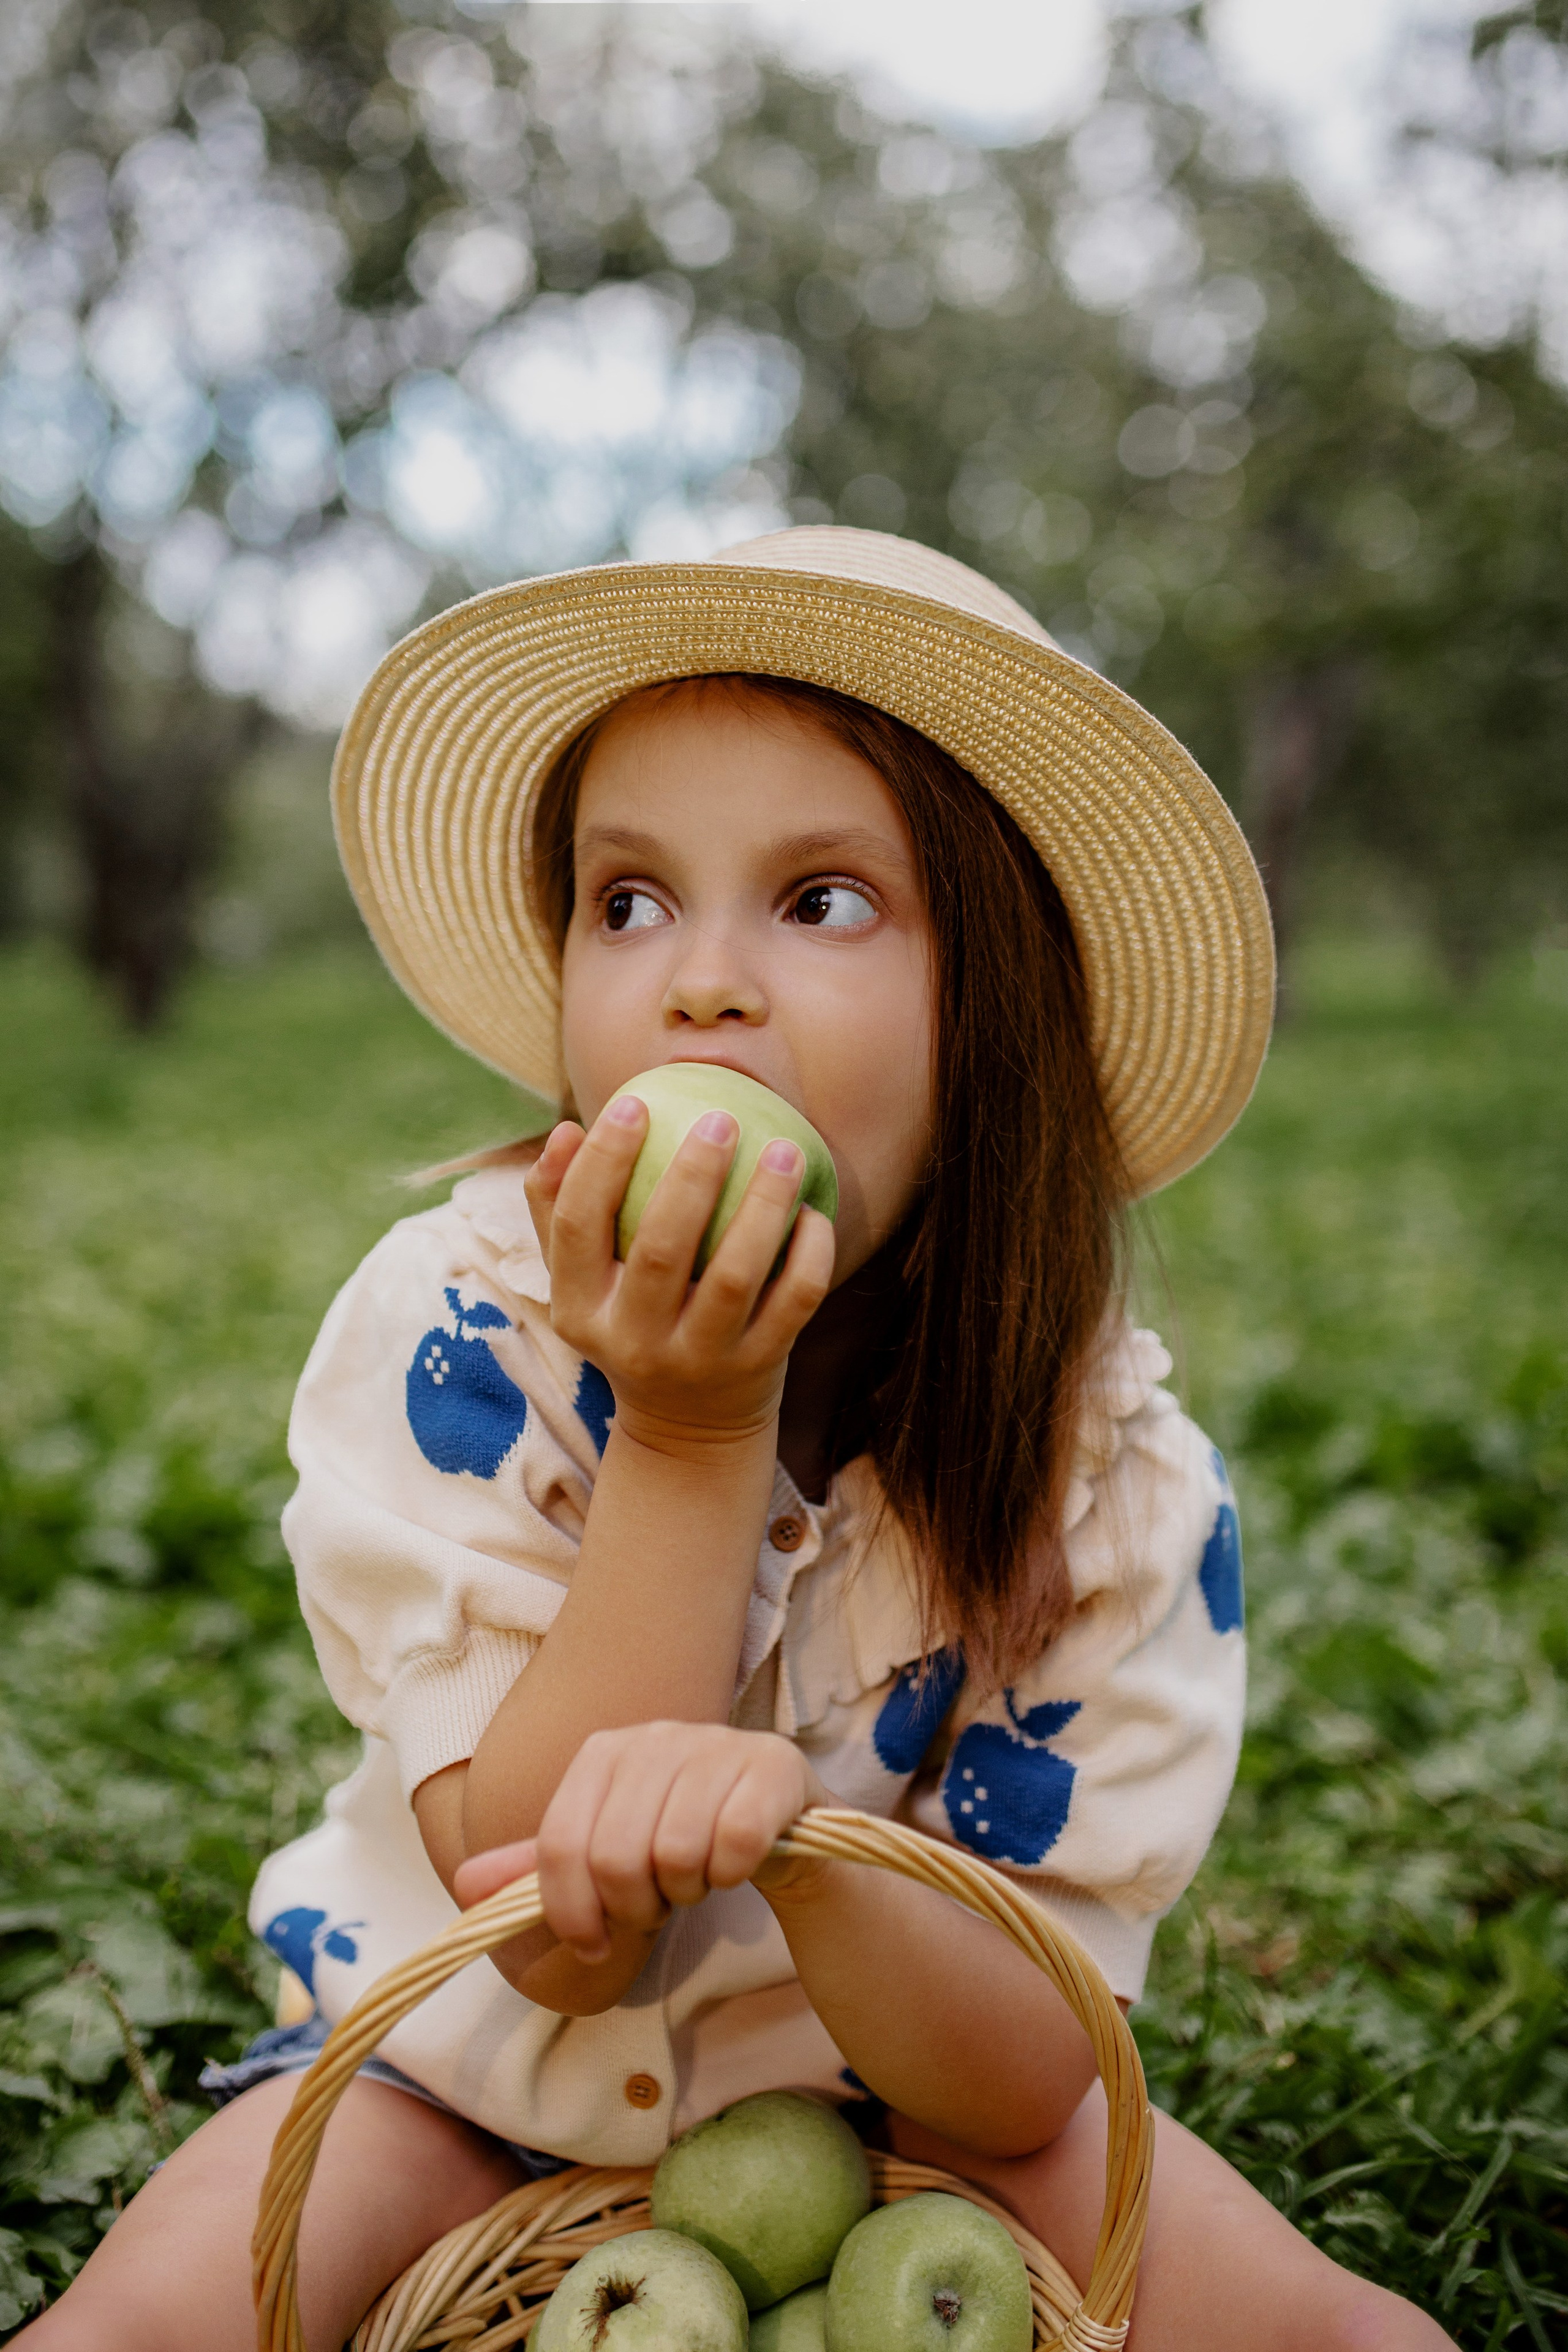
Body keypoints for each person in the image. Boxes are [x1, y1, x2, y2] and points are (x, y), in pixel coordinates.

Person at [20, 530, 1452, 2351]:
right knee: (152, 2313)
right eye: (627, 903)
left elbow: (1018, 2082)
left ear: (993, 1014)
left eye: (823, 899)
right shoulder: (462, 1335)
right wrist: (691, 1435)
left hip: (907, 2123)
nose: (697, 984)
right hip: (462, 2080)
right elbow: (545, 1924)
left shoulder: (1108, 1480)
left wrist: (803, 1850)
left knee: (1336, 2332)